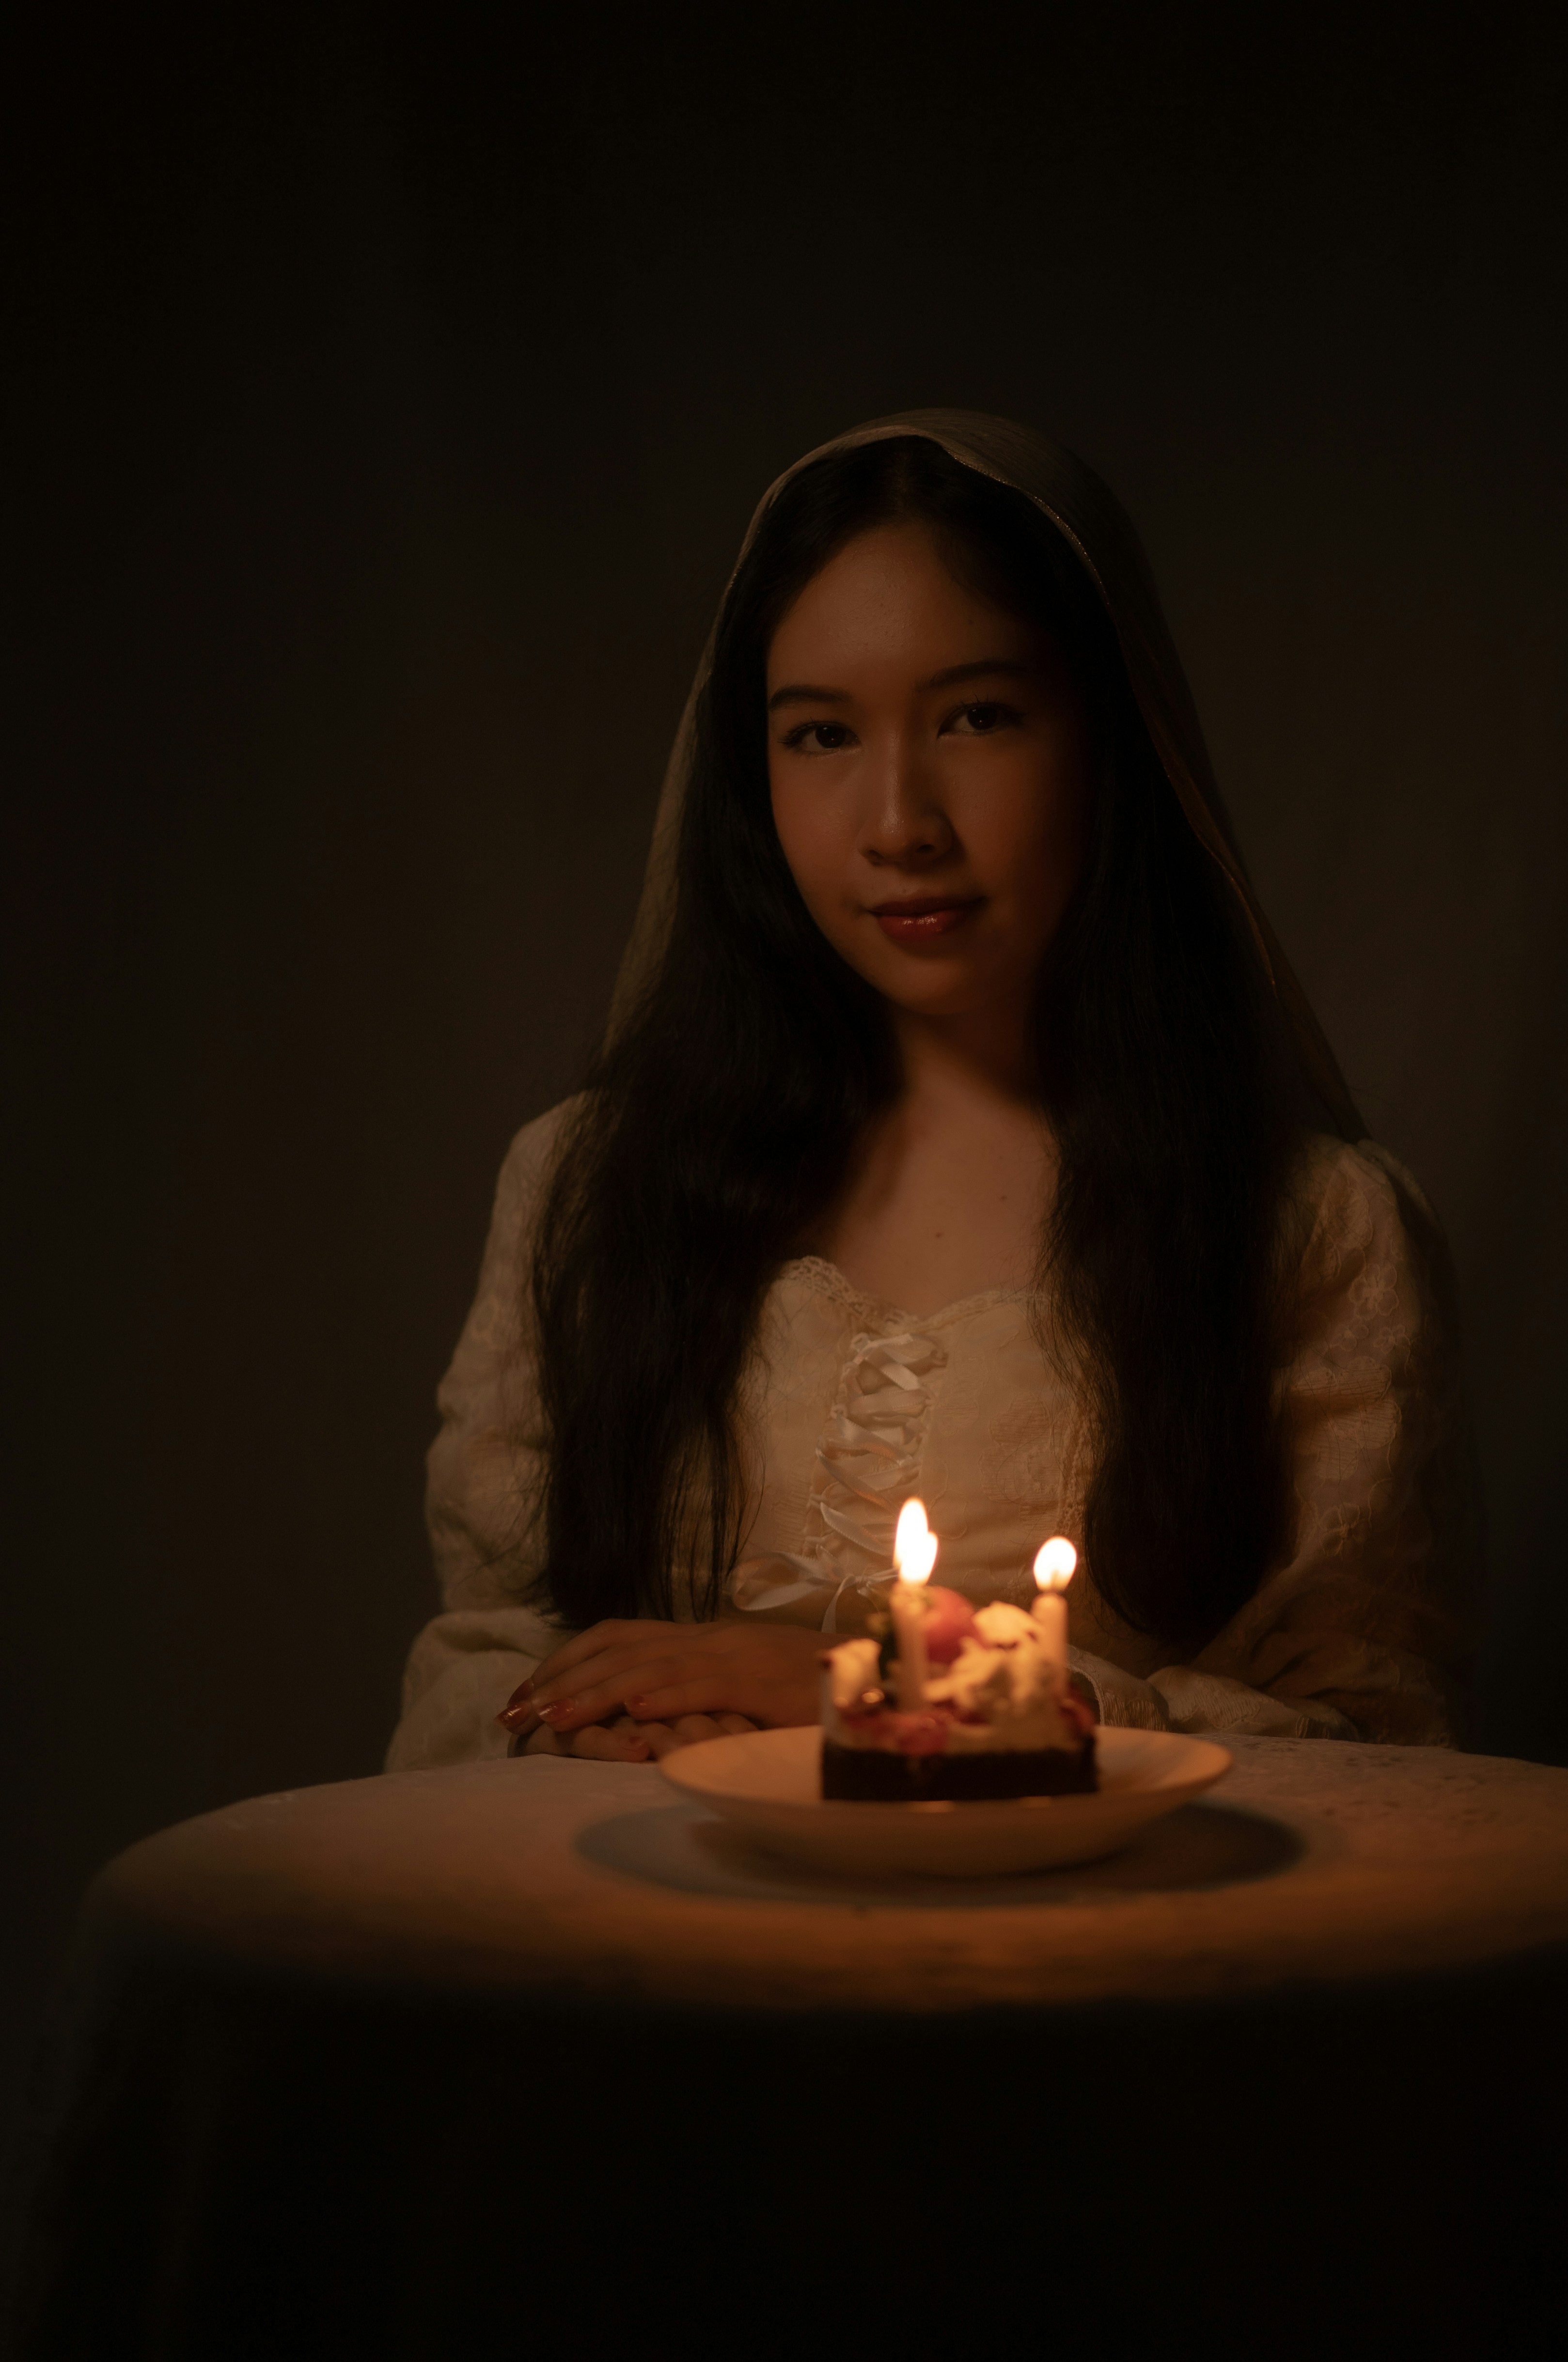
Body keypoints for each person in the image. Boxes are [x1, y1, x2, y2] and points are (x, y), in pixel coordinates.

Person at [387, 411, 1479, 1775]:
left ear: (1108, 739)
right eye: (820, 735)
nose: (900, 821)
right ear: (751, 773)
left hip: (1087, 1968)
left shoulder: (1305, 1231)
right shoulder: (589, 1187)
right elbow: (477, 1671)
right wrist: (637, 1740)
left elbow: (1361, 1750)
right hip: (650, 1951)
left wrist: (862, 1688)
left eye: (976, 716)